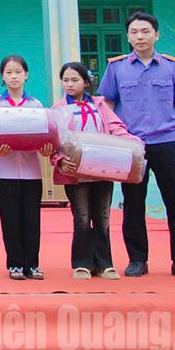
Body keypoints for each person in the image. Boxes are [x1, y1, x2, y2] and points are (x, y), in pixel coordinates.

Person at [98, 12, 175, 281]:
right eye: (134, 32)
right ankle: (137, 259)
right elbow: (106, 106)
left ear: (156, 34)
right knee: (133, 205)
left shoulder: (173, 67)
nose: (139, 37)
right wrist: (110, 140)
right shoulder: (117, 67)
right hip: (132, 146)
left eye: (145, 31)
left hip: (168, 141)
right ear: (128, 36)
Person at [53, 62, 136, 280]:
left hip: (103, 169)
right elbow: (54, 141)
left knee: (103, 216)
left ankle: (104, 263)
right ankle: (82, 263)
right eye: (66, 80)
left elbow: (116, 127)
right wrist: (60, 160)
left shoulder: (100, 106)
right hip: (76, 171)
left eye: (75, 80)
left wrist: (131, 143)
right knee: (81, 217)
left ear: (86, 82)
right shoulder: (58, 109)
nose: (69, 84)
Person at [0, 55, 53, 281]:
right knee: (10, 218)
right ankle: (14, 263)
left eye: (18, 72)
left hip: (32, 170)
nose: (14, 76)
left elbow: (43, 135)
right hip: (5, 170)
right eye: (9, 72)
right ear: (2, 76)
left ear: (26, 75)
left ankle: (32, 264)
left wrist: (45, 148)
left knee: (32, 218)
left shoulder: (35, 105)